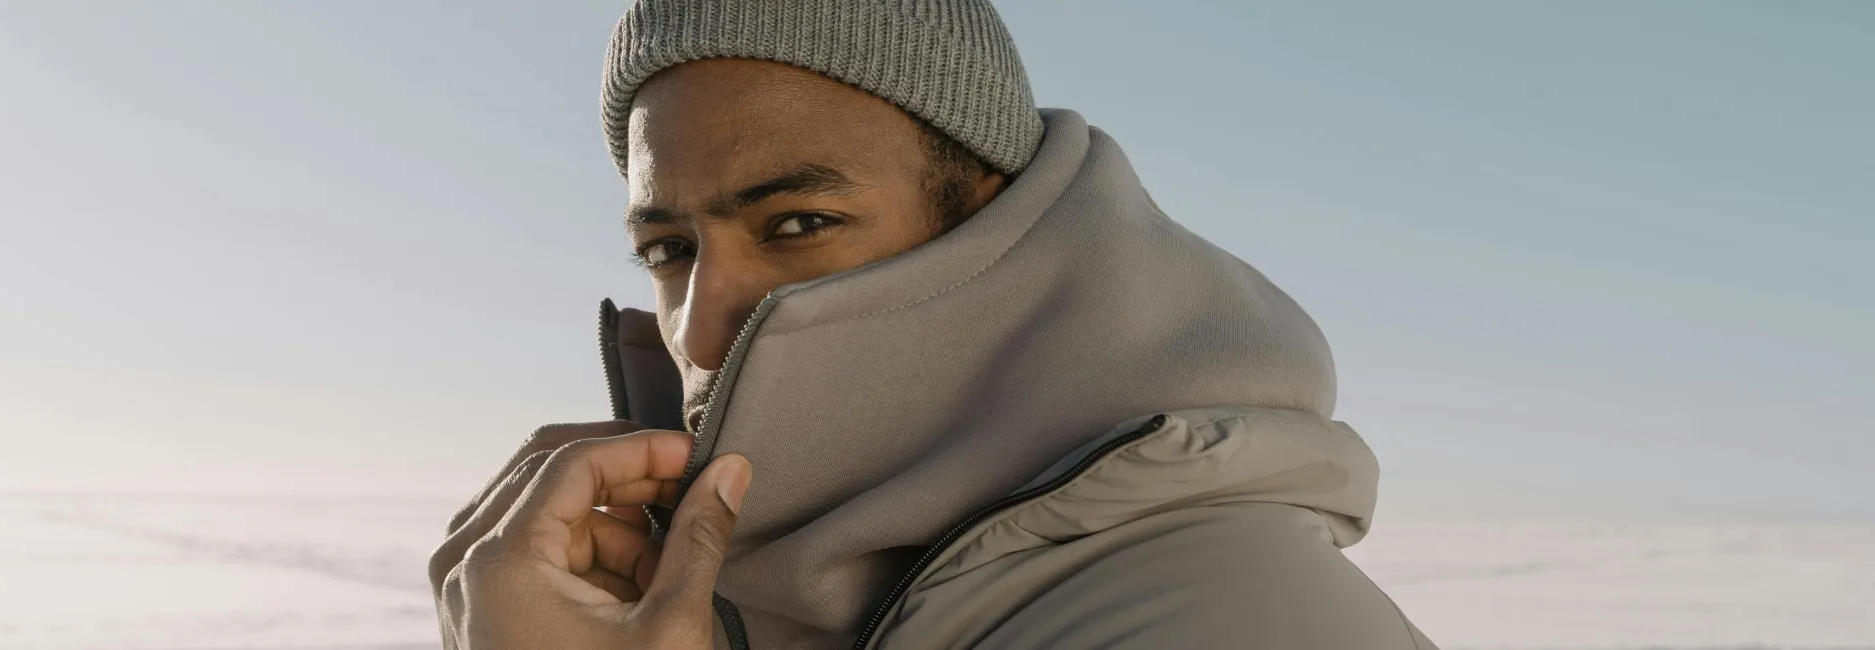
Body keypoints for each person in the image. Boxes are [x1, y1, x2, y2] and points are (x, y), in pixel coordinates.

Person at [429, 1, 1439, 648]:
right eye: (667, 249)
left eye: (798, 224)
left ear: (994, 220)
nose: (695, 334)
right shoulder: (741, 598)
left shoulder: (1232, 620)